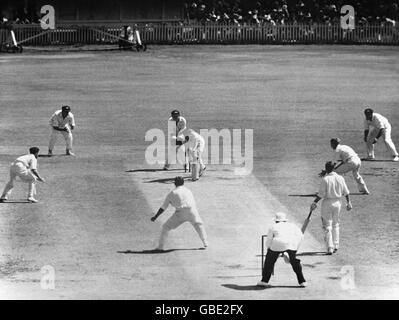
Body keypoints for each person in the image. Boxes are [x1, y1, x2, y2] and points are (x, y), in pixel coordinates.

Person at [150, 176, 207, 250]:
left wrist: (155, 217)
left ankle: (160, 247)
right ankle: (205, 242)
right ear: (183, 183)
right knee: (199, 225)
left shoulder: (172, 193)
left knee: (166, 227)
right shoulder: (188, 190)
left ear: (175, 183)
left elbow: (163, 207)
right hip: (192, 210)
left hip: (180, 213)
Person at [311, 161, 352, 255]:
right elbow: (346, 192)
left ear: (326, 169)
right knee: (336, 224)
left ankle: (330, 247)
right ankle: (336, 245)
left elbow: (321, 194)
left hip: (327, 203)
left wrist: (314, 202)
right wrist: (349, 202)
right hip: (338, 202)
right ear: (333, 168)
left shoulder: (325, 179)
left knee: (327, 225)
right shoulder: (340, 178)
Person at [257, 212, 307, 288]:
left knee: (269, 262)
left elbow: (268, 241)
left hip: (277, 244)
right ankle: (302, 282)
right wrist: (295, 248)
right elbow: (301, 236)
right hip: (291, 244)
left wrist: (269, 249)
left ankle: (264, 281)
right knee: (295, 262)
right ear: (285, 220)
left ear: (276, 221)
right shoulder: (292, 225)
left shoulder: (273, 226)